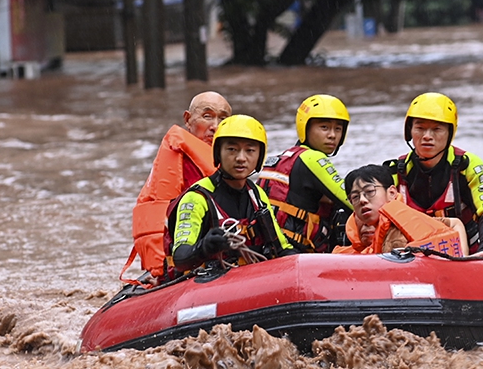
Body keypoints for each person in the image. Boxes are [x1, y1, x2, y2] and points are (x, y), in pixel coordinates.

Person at [123, 92, 233, 284]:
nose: (215, 126)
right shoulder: (181, 161)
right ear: (188, 120)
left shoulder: (229, 161)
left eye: (223, 119)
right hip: (182, 258)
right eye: (207, 116)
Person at [168, 115, 296, 272]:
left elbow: (282, 247)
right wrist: (204, 247)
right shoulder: (196, 198)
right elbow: (180, 258)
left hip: (252, 278)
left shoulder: (257, 195)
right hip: (208, 283)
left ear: (259, 156)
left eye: (250, 150)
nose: (241, 158)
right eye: (232, 150)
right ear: (218, 153)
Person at [384, 92, 483, 254]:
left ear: (450, 133)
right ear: (409, 131)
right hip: (409, 255)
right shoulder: (394, 171)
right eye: (420, 128)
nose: (427, 136)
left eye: (437, 129)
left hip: (466, 251)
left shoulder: (467, 165)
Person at [258, 94, 353, 252]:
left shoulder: (283, 158)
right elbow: (352, 201)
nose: (332, 135)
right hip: (297, 253)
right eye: (324, 127)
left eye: (338, 129)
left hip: (269, 249)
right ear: (305, 128)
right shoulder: (312, 158)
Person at [333, 164, 466, 256]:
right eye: (355, 197)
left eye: (369, 191)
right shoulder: (355, 239)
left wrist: (463, 259)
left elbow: (455, 223)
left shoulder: (406, 226)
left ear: (391, 193)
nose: (362, 200)